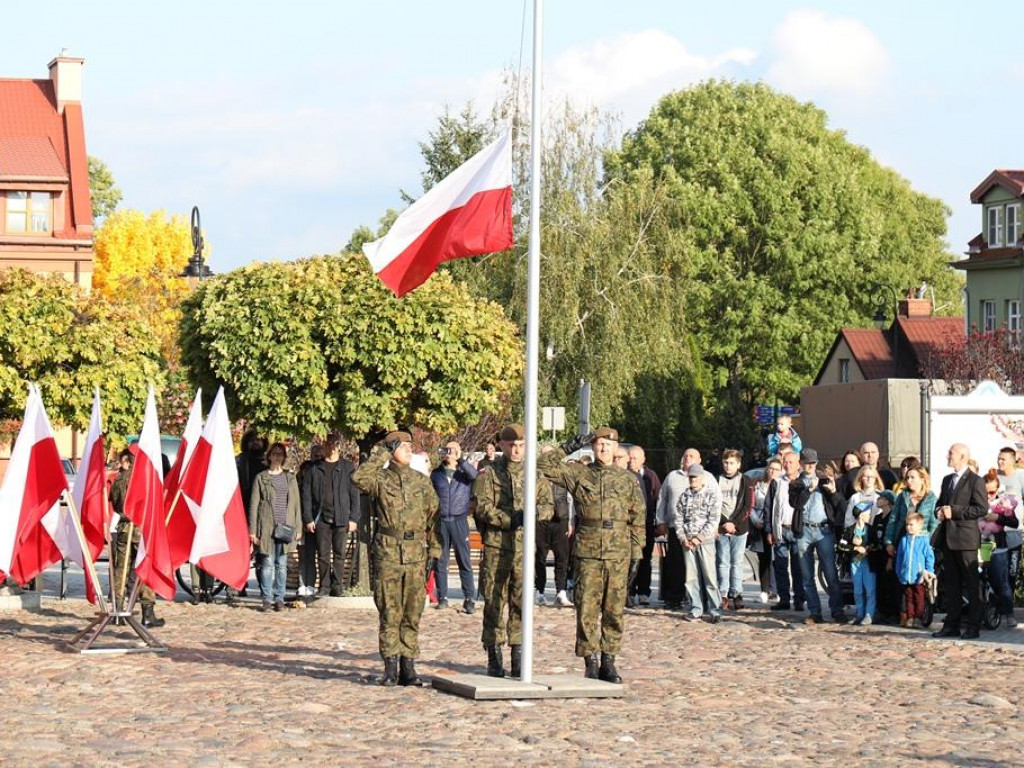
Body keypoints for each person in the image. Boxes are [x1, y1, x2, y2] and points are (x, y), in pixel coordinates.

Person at [539, 427, 645, 684]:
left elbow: (637, 518)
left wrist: (636, 554)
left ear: (616, 448)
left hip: (618, 550)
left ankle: (609, 660)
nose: (603, 448)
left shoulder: (627, 479)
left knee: (614, 609)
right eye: (599, 443)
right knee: (586, 607)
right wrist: (569, 446)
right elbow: (543, 466)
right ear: (593, 447)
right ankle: (590, 660)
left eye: (608, 444)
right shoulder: (580, 474)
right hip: (588, 550)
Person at [352, 430, 440, 687]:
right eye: (402, 446)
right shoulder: (380, 479)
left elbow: (434, 518)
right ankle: (390, 666)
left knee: (413, 611)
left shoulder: (421, 481)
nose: (408, 450)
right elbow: (358, 478)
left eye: (410, 446)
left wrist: (434, 551)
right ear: (391, 451)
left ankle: (408, 666)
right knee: (390, 611)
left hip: (415, 553)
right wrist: (382, 453)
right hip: (388, 552)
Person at [474, 425, 554, 678]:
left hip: (523, 546)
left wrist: (532, 515)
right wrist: (509, 519)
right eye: (511, 445)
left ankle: (518, 653)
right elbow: (481, 507)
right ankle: (494, 653)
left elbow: (548, 505)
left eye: (520, 445)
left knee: (521, 601)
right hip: (498, 546)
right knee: (494, 600)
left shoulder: (535, 474)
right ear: (501, 445)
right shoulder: (489, 474)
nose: (516, 450)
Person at [932, 443, 988, 640]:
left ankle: (973, 626)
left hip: (965, 540)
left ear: (963, 456)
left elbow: (981, 508)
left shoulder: (975, 480)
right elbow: (940, 503)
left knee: (971, 585)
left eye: (951, 453)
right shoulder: (947, 479)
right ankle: (951, 625)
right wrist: (939, 511)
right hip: (948, 538)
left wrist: (954, 512)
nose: (948, 456)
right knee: (952, 585)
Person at [655, 449, 719, 609]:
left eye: (691, 456)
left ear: (700, 460)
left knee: (706, 571)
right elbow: (663, 499)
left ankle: (708, 604)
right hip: (678, 530)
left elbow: (716, 505)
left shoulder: (709, 478)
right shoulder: (672, 477)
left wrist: (714, 527)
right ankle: (675, 599)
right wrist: (660, 520)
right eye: (685, 455)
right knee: (677, 566)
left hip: (703, 534)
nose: (687, 458)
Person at [790, 448, 848, 625]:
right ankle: (815, 612)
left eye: (813, 463)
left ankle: (837, 610)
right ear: (801, 463)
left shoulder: (824, 480)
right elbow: (796, 503)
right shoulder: (796, 483)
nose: (810, 466)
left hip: (823, 530)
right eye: (807, 463)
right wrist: (809, 490)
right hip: (804, 530)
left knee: (830, 572)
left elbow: (840, 505)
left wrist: (833, 492)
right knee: (807, 575)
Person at [301, 433, 361, 597]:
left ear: (339, 447)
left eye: (335, 445)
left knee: (340, 554)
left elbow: (354, 494)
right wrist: (308, 518)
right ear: (324, 445)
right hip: (321, 517)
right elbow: (306, 495)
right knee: (323, 554)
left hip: (342, 517)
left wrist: (354, 518)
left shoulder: (348, 468)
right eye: (328, 444)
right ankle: (325, 586)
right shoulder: (314, 468)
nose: (331, 448)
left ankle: (337, 586)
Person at [110, 449, 164, 628]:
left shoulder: (119, 478)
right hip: (141, 528)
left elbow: (114, 502)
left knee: (121, 570)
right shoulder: (144, 477)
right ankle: (148, 612)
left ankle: (118, 610)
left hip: (124, 527)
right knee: (145, 568)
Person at [248, 442, 301, 611]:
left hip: (285, 528)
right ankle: (266, 599)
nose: (277, 457)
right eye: (275, 453)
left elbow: (296, 505)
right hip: (267, 527)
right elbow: (254, 505)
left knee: (282, 565)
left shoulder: (290, 478)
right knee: (267, 564)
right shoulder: (261, 477)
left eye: (280, 454)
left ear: (284, 457)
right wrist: (252, 531)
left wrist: (298, 528)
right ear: (269, 456)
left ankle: (279, 598)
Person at [430, 440, 477, 613]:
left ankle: (469, 598)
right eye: (447, 449)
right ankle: (442, 596)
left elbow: (475, 476)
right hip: (442, 521)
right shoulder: (437, 474)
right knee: (440, 561)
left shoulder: (464, 472)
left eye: (453, 449)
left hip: (459, 520)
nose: (449, 453)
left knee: (464, 560)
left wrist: (461, 460)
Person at [674, 463, 723, 622]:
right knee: (691, 578)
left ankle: (715, 610)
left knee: (710, 577)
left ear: (702, 478)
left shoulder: (711, 495)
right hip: (688, 542)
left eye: (695, 477)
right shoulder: (684, 496)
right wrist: (683, 538)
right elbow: (678, 519)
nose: (692, 480)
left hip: (705, 542)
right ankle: (696, 608)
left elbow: (713, 520)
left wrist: (699, 538)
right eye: (690, 477)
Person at [765, 451, 806, 612]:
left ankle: (799, 599)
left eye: (791, 462)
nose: (787, 465)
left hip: (797, 530)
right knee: (780, 566)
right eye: (785, 462)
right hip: (780, 529)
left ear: (798, 464)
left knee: (798, 567)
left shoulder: (803, 482)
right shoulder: (776, 482)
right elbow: (769, 507)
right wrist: (769, 530)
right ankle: (784, 599)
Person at [980, 469, 1019, 628]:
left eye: (992, 492)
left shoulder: (1003, 502)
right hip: (981, 547)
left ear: (997, 489)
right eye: (985, 492)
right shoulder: (976, 502)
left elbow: (1014, 523)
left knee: (1001, 582)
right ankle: (982, 612)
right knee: (980, 580)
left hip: (998, 548)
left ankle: (1009, 614)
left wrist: (999, 517)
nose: (989, 495)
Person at [537, 445, 573, 608]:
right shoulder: (536, 473)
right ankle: (539, 591)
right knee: (539, 557)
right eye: (545, 455)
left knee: (562, 557)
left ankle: (561, 591)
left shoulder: (563, 473)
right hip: (541, 519)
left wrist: (570, 521)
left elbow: (571, 498)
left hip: (560, 519)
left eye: (551, 454)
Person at [716, 449, 753, 610]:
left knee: (737, 562)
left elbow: (748, 506)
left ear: (738, 464)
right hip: (722, 527)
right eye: (726, 462)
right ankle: (723, 593)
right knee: (722, 561)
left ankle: (736, 592)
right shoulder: (716, 480)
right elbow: (713, 504)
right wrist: (724, 523)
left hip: (740, 528)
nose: (728, 466)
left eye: (731, 463)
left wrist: (734, 523)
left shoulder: (745, 480)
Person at [627, 446, 661, 607]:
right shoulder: (624, 475)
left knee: (645, 559)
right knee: (630, 559)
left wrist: (658, 522)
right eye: (630, 458)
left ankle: (643, 592)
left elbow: (658, 499)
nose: (631, 461)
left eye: (635, 458)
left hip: (646, 525)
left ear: (643, 459)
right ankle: (629, 591)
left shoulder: (650, 476)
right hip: (629, 526)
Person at [750, 458, 782, 604]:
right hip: (760, 524)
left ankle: (776, 590)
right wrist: (755, 518)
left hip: (777, 525)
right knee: (764, 558)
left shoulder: (782, 485)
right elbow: (751, 504)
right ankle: (764, 590)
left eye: (776, 469)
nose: (773, 471)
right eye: (771, 468)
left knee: (777, 559)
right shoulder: (758, 485)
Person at [895, 512, 935, 629]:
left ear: (919, 526)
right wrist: (899, 571)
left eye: (911, 525)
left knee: (919, 598)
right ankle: (910, 617)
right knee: (909, 598)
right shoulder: (904, 540)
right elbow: (899, 557)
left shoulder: (924, 540)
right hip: (906, 576)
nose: (908, 527)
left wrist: (929, 571)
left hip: (919, 576)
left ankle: (918, 617)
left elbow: (929, 557)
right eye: (907, 525)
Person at [296, 442, 325, 599]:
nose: (318, 458)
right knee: (304, 555)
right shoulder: (302, 473)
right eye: (315, 455)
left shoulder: (325, 473)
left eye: (320, 455)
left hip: (318, 521)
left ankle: (312, 585)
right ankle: (302, 584)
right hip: (302, 521)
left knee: (317, 555)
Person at [840, 501, 876, 625]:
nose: (869, 515)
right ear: (861, 515)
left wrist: (867, 548)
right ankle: (859, 614)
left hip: (869, 564)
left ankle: (869, 614)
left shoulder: (871, 529)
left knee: (870, 590)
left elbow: (877, 544)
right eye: (867, 513)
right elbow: (841, 546)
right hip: (855, 563)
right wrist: (855, 547)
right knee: (858, 591)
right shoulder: (850, 530)